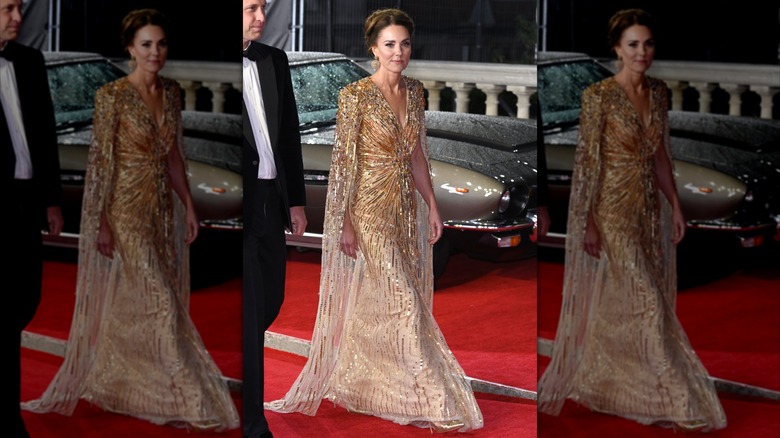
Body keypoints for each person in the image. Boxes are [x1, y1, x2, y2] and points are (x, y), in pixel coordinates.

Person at [265, 8, 483, 433]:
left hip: (404, 208)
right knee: (403, 297)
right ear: (373, 49)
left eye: (404, 44)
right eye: (389, 44)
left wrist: (433, 206)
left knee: (384, 297)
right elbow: (345, 164)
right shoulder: (355, 96)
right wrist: (345, 223)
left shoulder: (416, 92)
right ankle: (432, 398)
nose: (398, 52)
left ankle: (365, 384)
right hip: (367, 208)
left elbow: (417, 155)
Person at [22, 9, 239, 431]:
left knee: (142, 298)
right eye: (146, 44)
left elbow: (174, 156)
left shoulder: (173, 92)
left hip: (161, 209)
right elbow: (101, 164)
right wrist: (102, 222)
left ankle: (121, 382)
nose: (155, 52)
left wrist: (189, 207)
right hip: (124, 209)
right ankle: (184, 395)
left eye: (160, 44)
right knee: (159, 298)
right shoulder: (113, 96)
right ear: (129, 48)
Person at [537, 9, 727, 432]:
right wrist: (587, 223)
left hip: (647, 208)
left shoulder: (658, 92)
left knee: (631, 298)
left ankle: (608, 383)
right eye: (633, 45)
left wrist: (675, 205)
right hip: (612, 209)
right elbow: (588, 164)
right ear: (617, 49)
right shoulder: (599, 96)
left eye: (648, 44)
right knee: (647, 301)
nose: (642, 52)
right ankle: (679, 401)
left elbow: (660, 154)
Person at [242, 1, 307, 437]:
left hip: (270, 200)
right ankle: (252, 422)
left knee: (271, 302)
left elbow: (288, 135)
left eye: (263, 7)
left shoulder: (273, 59)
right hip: (239, 208)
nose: (261, 16)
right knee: (247, 317)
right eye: (250, 7)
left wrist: (296, 201)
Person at [1, 1, 63, 436]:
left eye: (20, 8)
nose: (18, 17)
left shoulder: (28, 59)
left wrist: (52, 200)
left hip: (26, 204)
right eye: (7, 8)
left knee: (25, 302)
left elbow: (44, 131)